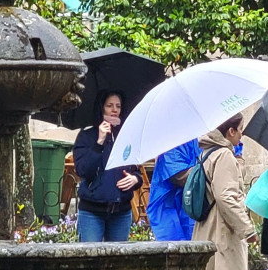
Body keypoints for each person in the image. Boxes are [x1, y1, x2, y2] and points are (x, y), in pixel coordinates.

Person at [192, 114, 259, 270]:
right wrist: (247, 229)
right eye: (239, 130)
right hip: (224, 233)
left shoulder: (207, 154)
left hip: (207, 230)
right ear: (230, 131)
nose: (241, 135)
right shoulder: (224, 156)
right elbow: (227, 197)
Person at [72, 90, 142, 242]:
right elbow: (83, 170)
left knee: (118, 260)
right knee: (90, 258)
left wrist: (136, 179)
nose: (114, 110)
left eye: (118, 106)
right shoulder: (87, 136)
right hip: (92, 211)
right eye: (110, 105)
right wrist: (99, 142)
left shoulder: (126, 136)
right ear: (101, 108)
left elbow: (136, 169)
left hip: (121, 211)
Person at [146, 139, 201, 240]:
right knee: (177, 249)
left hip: (191, 207)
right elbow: (178, 175)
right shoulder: (172, 142)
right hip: (171, 207)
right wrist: (207, 168)